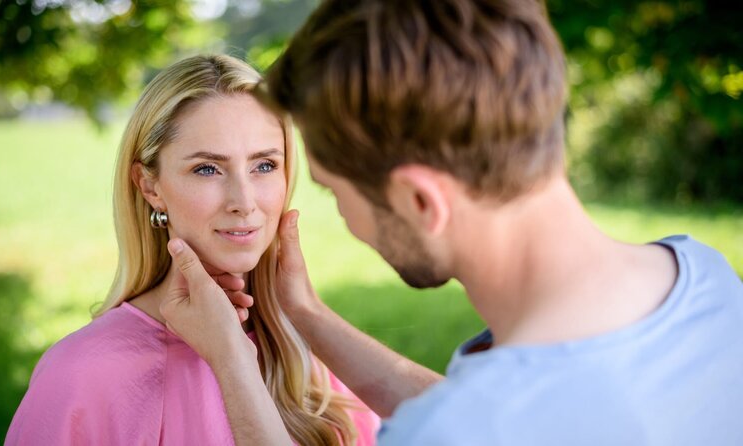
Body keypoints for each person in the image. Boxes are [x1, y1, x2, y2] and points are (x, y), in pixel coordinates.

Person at [160, 1, 743, 445]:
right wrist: (305, 312)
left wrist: (232, 361)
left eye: (336, 192)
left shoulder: (457, 430)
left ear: (420, 200)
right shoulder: (704, 278)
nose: (347, 220)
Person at [5, 54, 379, 446]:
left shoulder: (307, 354)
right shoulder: (82, 375)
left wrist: (303, 316)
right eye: (207, 169)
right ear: (150, 187)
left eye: (265, 165)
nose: (244, 202)